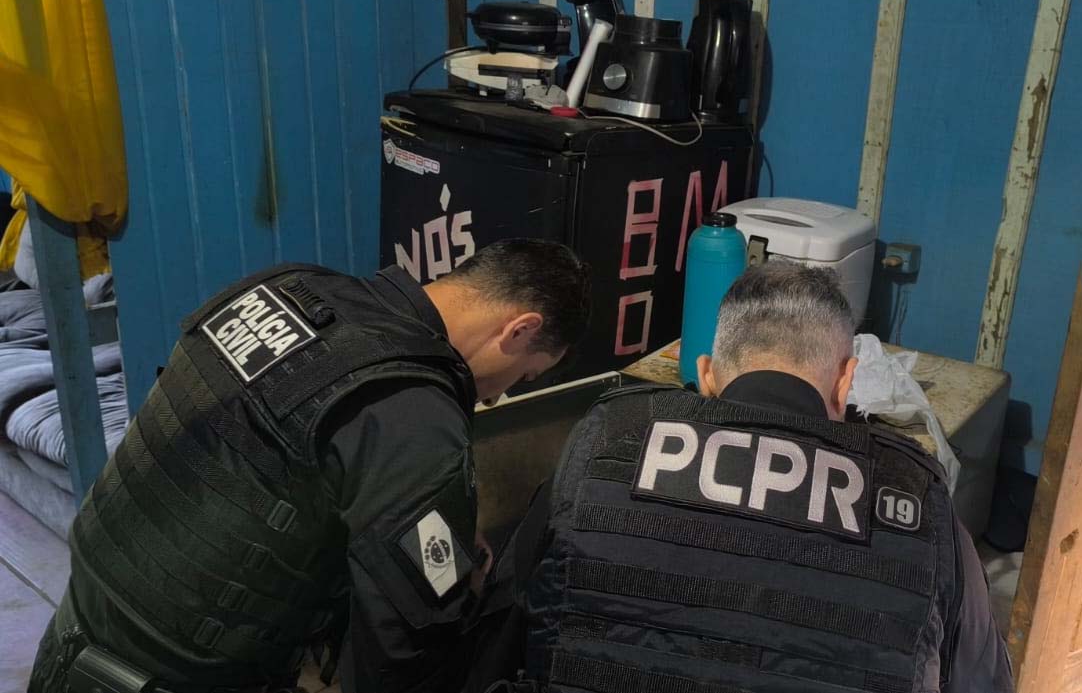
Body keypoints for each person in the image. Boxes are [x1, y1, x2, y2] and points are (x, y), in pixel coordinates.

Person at [28, 238, 591, 693]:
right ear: (520, 330)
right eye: (525, 375)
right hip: (180, 674)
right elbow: (402, 647)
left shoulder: (285, 287)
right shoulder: (410, 410)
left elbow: (269, 470)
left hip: (77, 629)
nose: (498, 396)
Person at [493, 261, 1012, 693]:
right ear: (846, 382)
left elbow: (502, 622)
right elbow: (982, 678)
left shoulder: (610, 438)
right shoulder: (914, 494)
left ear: (706, 374)